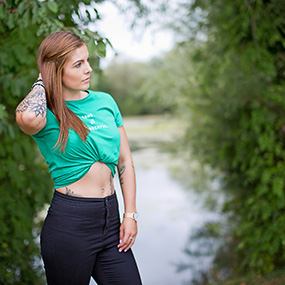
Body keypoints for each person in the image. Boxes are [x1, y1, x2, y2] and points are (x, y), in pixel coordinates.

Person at [15, 31, 142, 285]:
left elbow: (125, 161)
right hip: (70, 226)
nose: (89, 69)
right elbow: (27, 118)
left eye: (87, 61)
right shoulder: (46, 113)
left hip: (111, 221)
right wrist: (43, 80)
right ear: (56, 70)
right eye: (78, 64)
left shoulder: (105, 102)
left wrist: (130, 215)